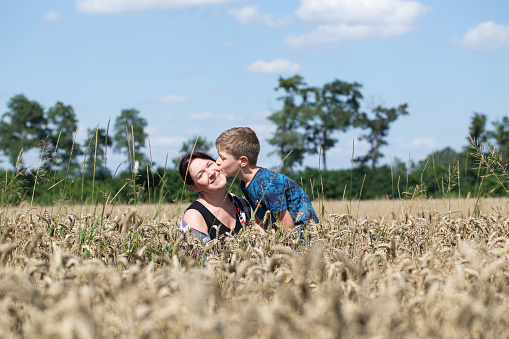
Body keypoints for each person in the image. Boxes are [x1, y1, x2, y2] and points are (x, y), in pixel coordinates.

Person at [215, 127, 319, 231]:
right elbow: (260, 216)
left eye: (222, 158)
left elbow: (288, 226)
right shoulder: (245, 183)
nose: (217, 161)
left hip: (304, 236)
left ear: (243, 161)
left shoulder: (266, 184)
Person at [178, 151, 252, 243]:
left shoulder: (241, 204)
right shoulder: (194, 216)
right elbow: (200, 257)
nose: (211, 173)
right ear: (194, 187)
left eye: (209, 165)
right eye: (201, 174)